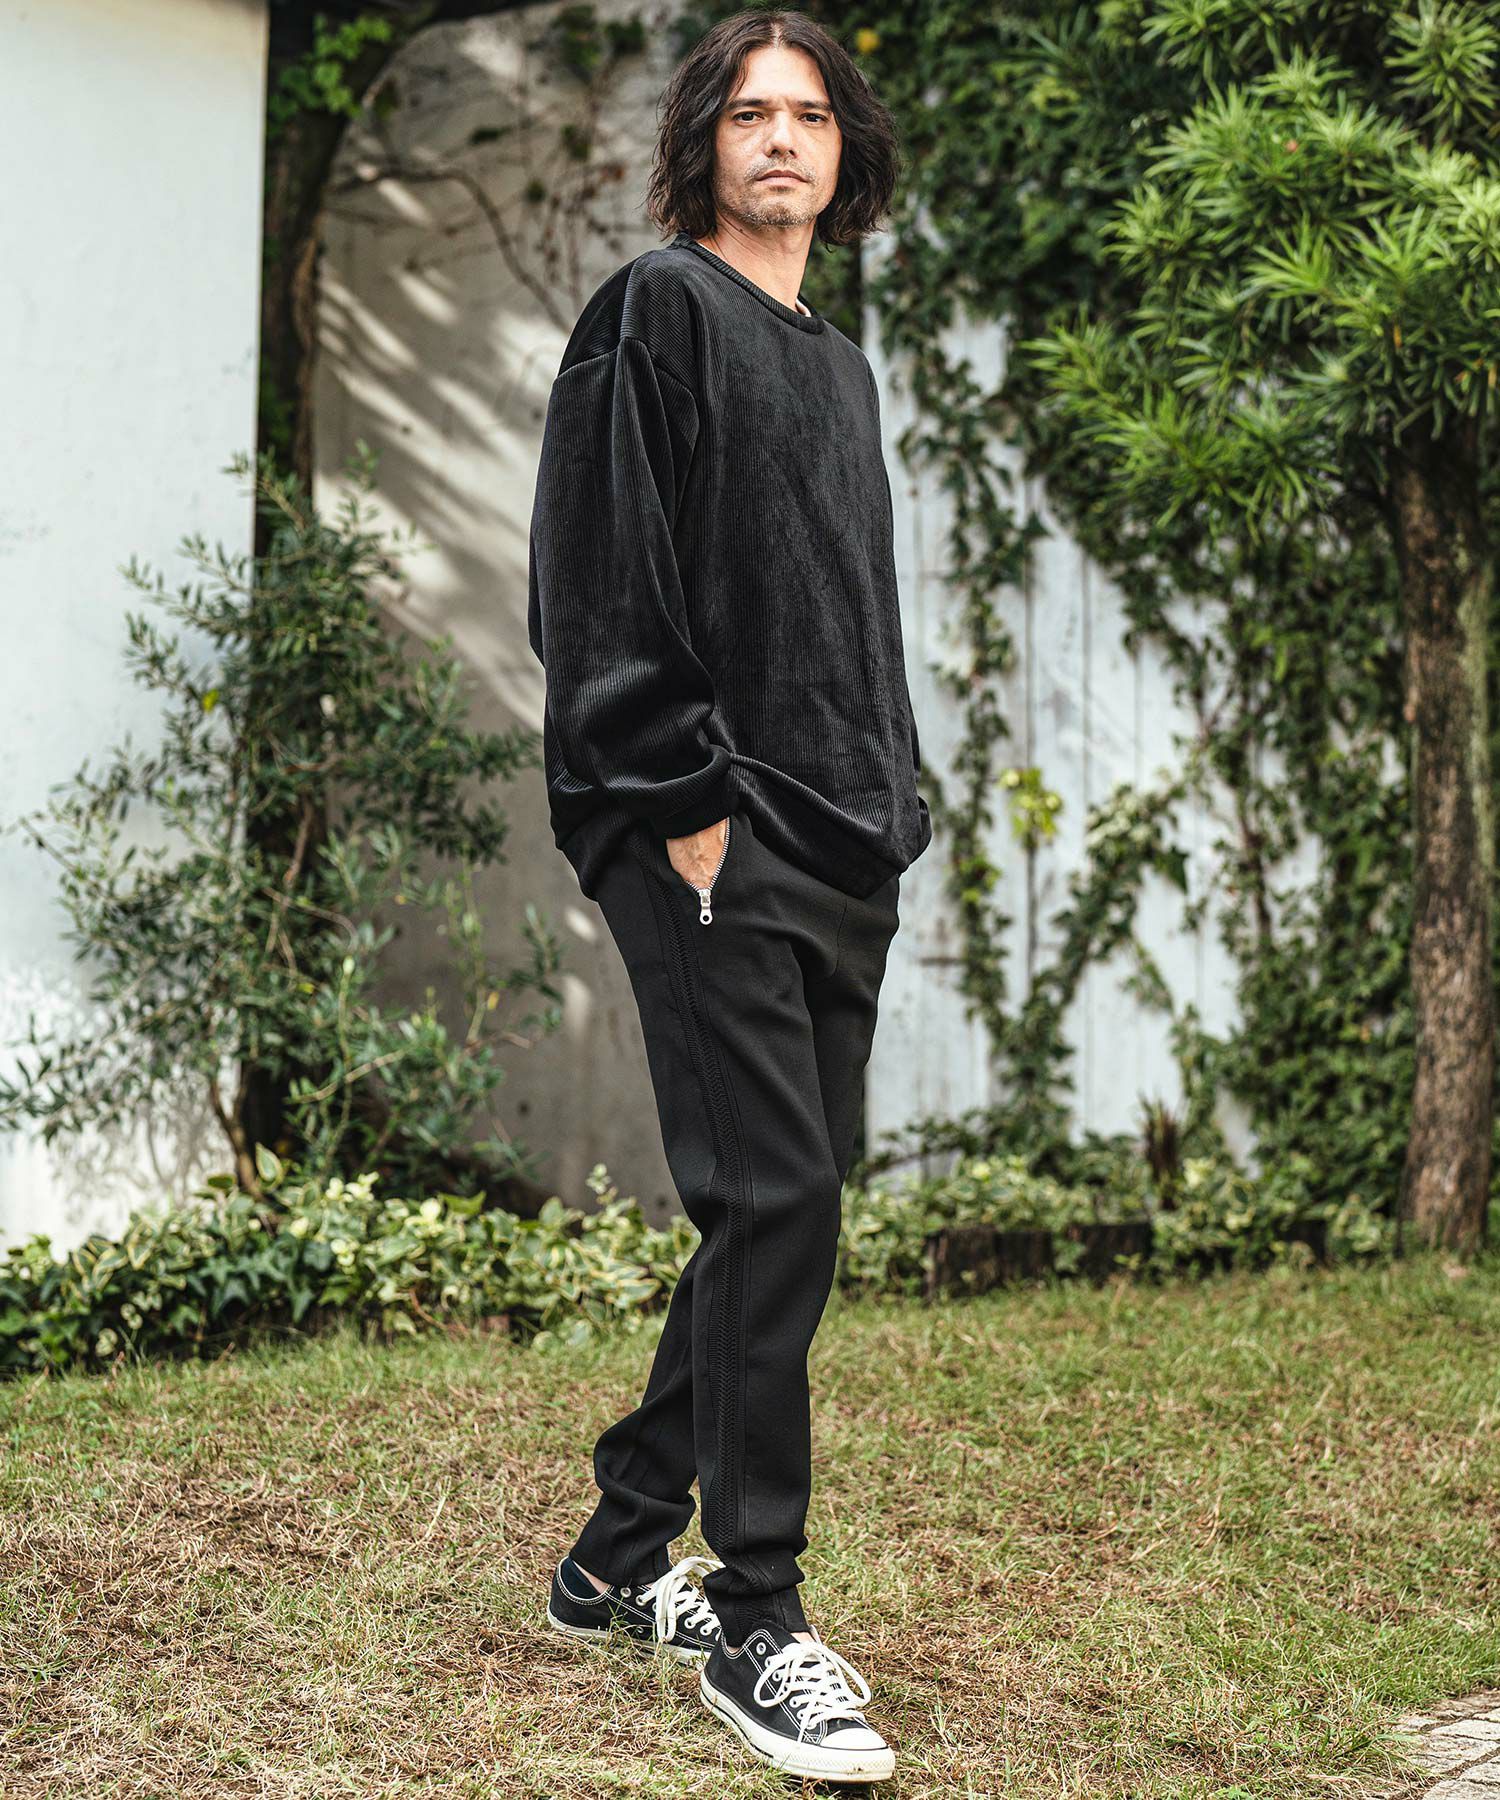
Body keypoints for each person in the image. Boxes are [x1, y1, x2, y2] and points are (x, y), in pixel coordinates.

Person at [526, 8, 930, 1785]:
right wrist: (683, 800)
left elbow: (849, 610)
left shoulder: (838, 368)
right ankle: (757, 1618)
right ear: (703, 140)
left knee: (787, 1208)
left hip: (842, 836)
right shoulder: (656, 313)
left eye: (810, 115)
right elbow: (591, 576)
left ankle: (619, 1556)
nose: (782, 138)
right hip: (703, 826)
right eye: (751, 112)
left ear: (846, 152)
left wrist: (895, 797)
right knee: (776, 1200)